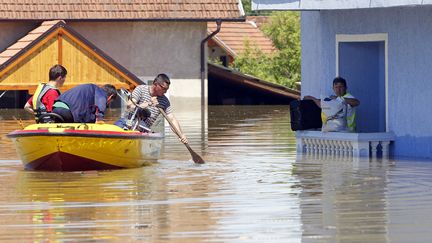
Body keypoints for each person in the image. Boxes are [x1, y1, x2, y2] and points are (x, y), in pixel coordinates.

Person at [115, 74, 189, 144]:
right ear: (155, 84)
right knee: (118, 126)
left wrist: (181, 134)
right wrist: (149, 103)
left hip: (143, 128)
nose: (165, 91)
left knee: (142, 126)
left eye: (167, 89)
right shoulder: (141, 89)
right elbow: (130, 105)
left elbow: (171, 119)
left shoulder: (165, 101)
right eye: (163, 89)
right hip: (127, 121)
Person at [52, 84, 117, 123]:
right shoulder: (100, 92)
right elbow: (101, 102)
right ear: (110, 97)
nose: (107, 104)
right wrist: (100, 118)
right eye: (109, 102)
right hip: (66, 111)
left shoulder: (90, 89)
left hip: (55, 108)